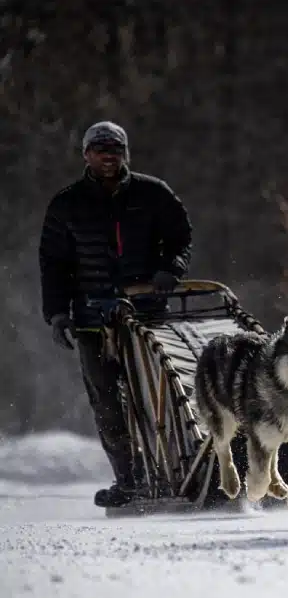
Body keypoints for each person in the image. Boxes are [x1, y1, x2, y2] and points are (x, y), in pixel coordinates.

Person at [38, 121, 193, 507]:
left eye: (116, 149)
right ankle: (129, 480)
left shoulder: (152, 193)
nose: (109, 156)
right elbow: (53, 263)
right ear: (87, 154)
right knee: (107, 401)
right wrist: (57, 314)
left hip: (146, 317)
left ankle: (180, 471)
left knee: (158, 396)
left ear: (125, 154)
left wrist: (169, 270)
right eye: (101, 149)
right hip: (92, 319)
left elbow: (180, 238)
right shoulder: (67, 203)